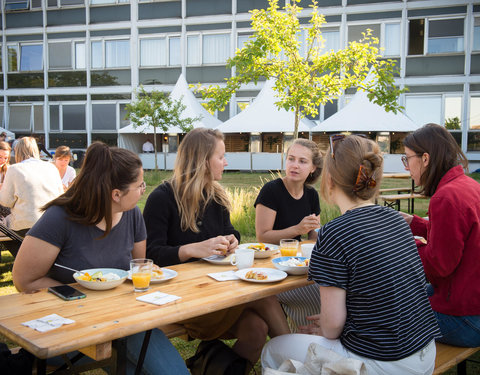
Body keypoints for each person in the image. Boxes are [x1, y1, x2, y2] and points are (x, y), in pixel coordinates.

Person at [262, 134, 441, 375]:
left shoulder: (333, 233)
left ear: (328, 179)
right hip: (425, 353)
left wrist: (327, 327)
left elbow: (332, 327)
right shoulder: (397, 221)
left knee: (272, 349)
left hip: (382, 362)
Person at [12, 142, 189, 375]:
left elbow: (136, 270)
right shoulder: (59, 219)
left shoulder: (133, 215)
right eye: (140, 185)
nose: (144, 190)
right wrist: (85, 297)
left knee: (136, 353)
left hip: (119, 320)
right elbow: (24, 280)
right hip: (62, 327)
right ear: (116, 194)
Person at [144, 128, 290, 370]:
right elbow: (150, 256)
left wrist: (232, 240)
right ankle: (298, 363)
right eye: (221, 156)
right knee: (264, 296)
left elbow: (231, 231)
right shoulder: (163, 198)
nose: (226, 162)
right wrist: (192, 249)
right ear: (202, 161)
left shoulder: (216, 196)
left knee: (256, 330)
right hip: (185, 299)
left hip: (220, 289)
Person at [400, 123, 480, 347]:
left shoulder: (445, 198)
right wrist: (414, 224)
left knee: (385, 312)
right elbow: (457, 236)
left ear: (425, 158)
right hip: (470, 300)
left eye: (408, 159)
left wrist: (403, 243)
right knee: (403, 296)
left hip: (466, 319)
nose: (407, 167)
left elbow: (437, 267)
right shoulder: (468, 185)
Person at [254, 138, 322, 328]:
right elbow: (262, 236)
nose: (295, 165)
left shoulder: (311, 194)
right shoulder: (271, 191)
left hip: (297, 264)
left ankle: (311, 335)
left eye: (302, 161)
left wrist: (319, 231)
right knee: (314, 295)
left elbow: (313, 236)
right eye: (291, 159)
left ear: (313, 168)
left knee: (325, 289)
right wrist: (297, 229)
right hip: (272, 264)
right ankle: (303, 336)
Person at [0, 137, 63, 257]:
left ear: (17, 151)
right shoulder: (52, 168)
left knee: (3, 228)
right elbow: (60, 196)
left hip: (26, 224)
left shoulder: (14, 169)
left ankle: (22, 257)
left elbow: (6, 201)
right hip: (51, 221)